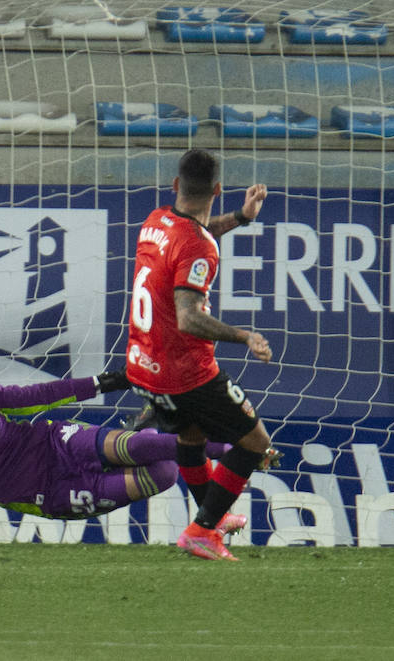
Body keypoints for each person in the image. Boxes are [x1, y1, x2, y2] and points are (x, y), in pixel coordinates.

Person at [0, 359, 242, 546]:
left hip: (53, 442)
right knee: (164, 473)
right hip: (48, 496)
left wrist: (101, 383)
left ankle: (231, 448)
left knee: (133, 446)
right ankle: (211, 507)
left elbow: (34, 397)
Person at [124, 148, 275, 561]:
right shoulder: (199, 246)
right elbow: (189, 319)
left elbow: (197, 236)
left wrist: (242, 217)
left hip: (144, 364)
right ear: (218, 189)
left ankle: (212, 515)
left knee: (192, 435)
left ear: (175, 186)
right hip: (185, 371)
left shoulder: (157, 221)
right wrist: (244, 335)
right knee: (255, 442)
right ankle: (202, 531)